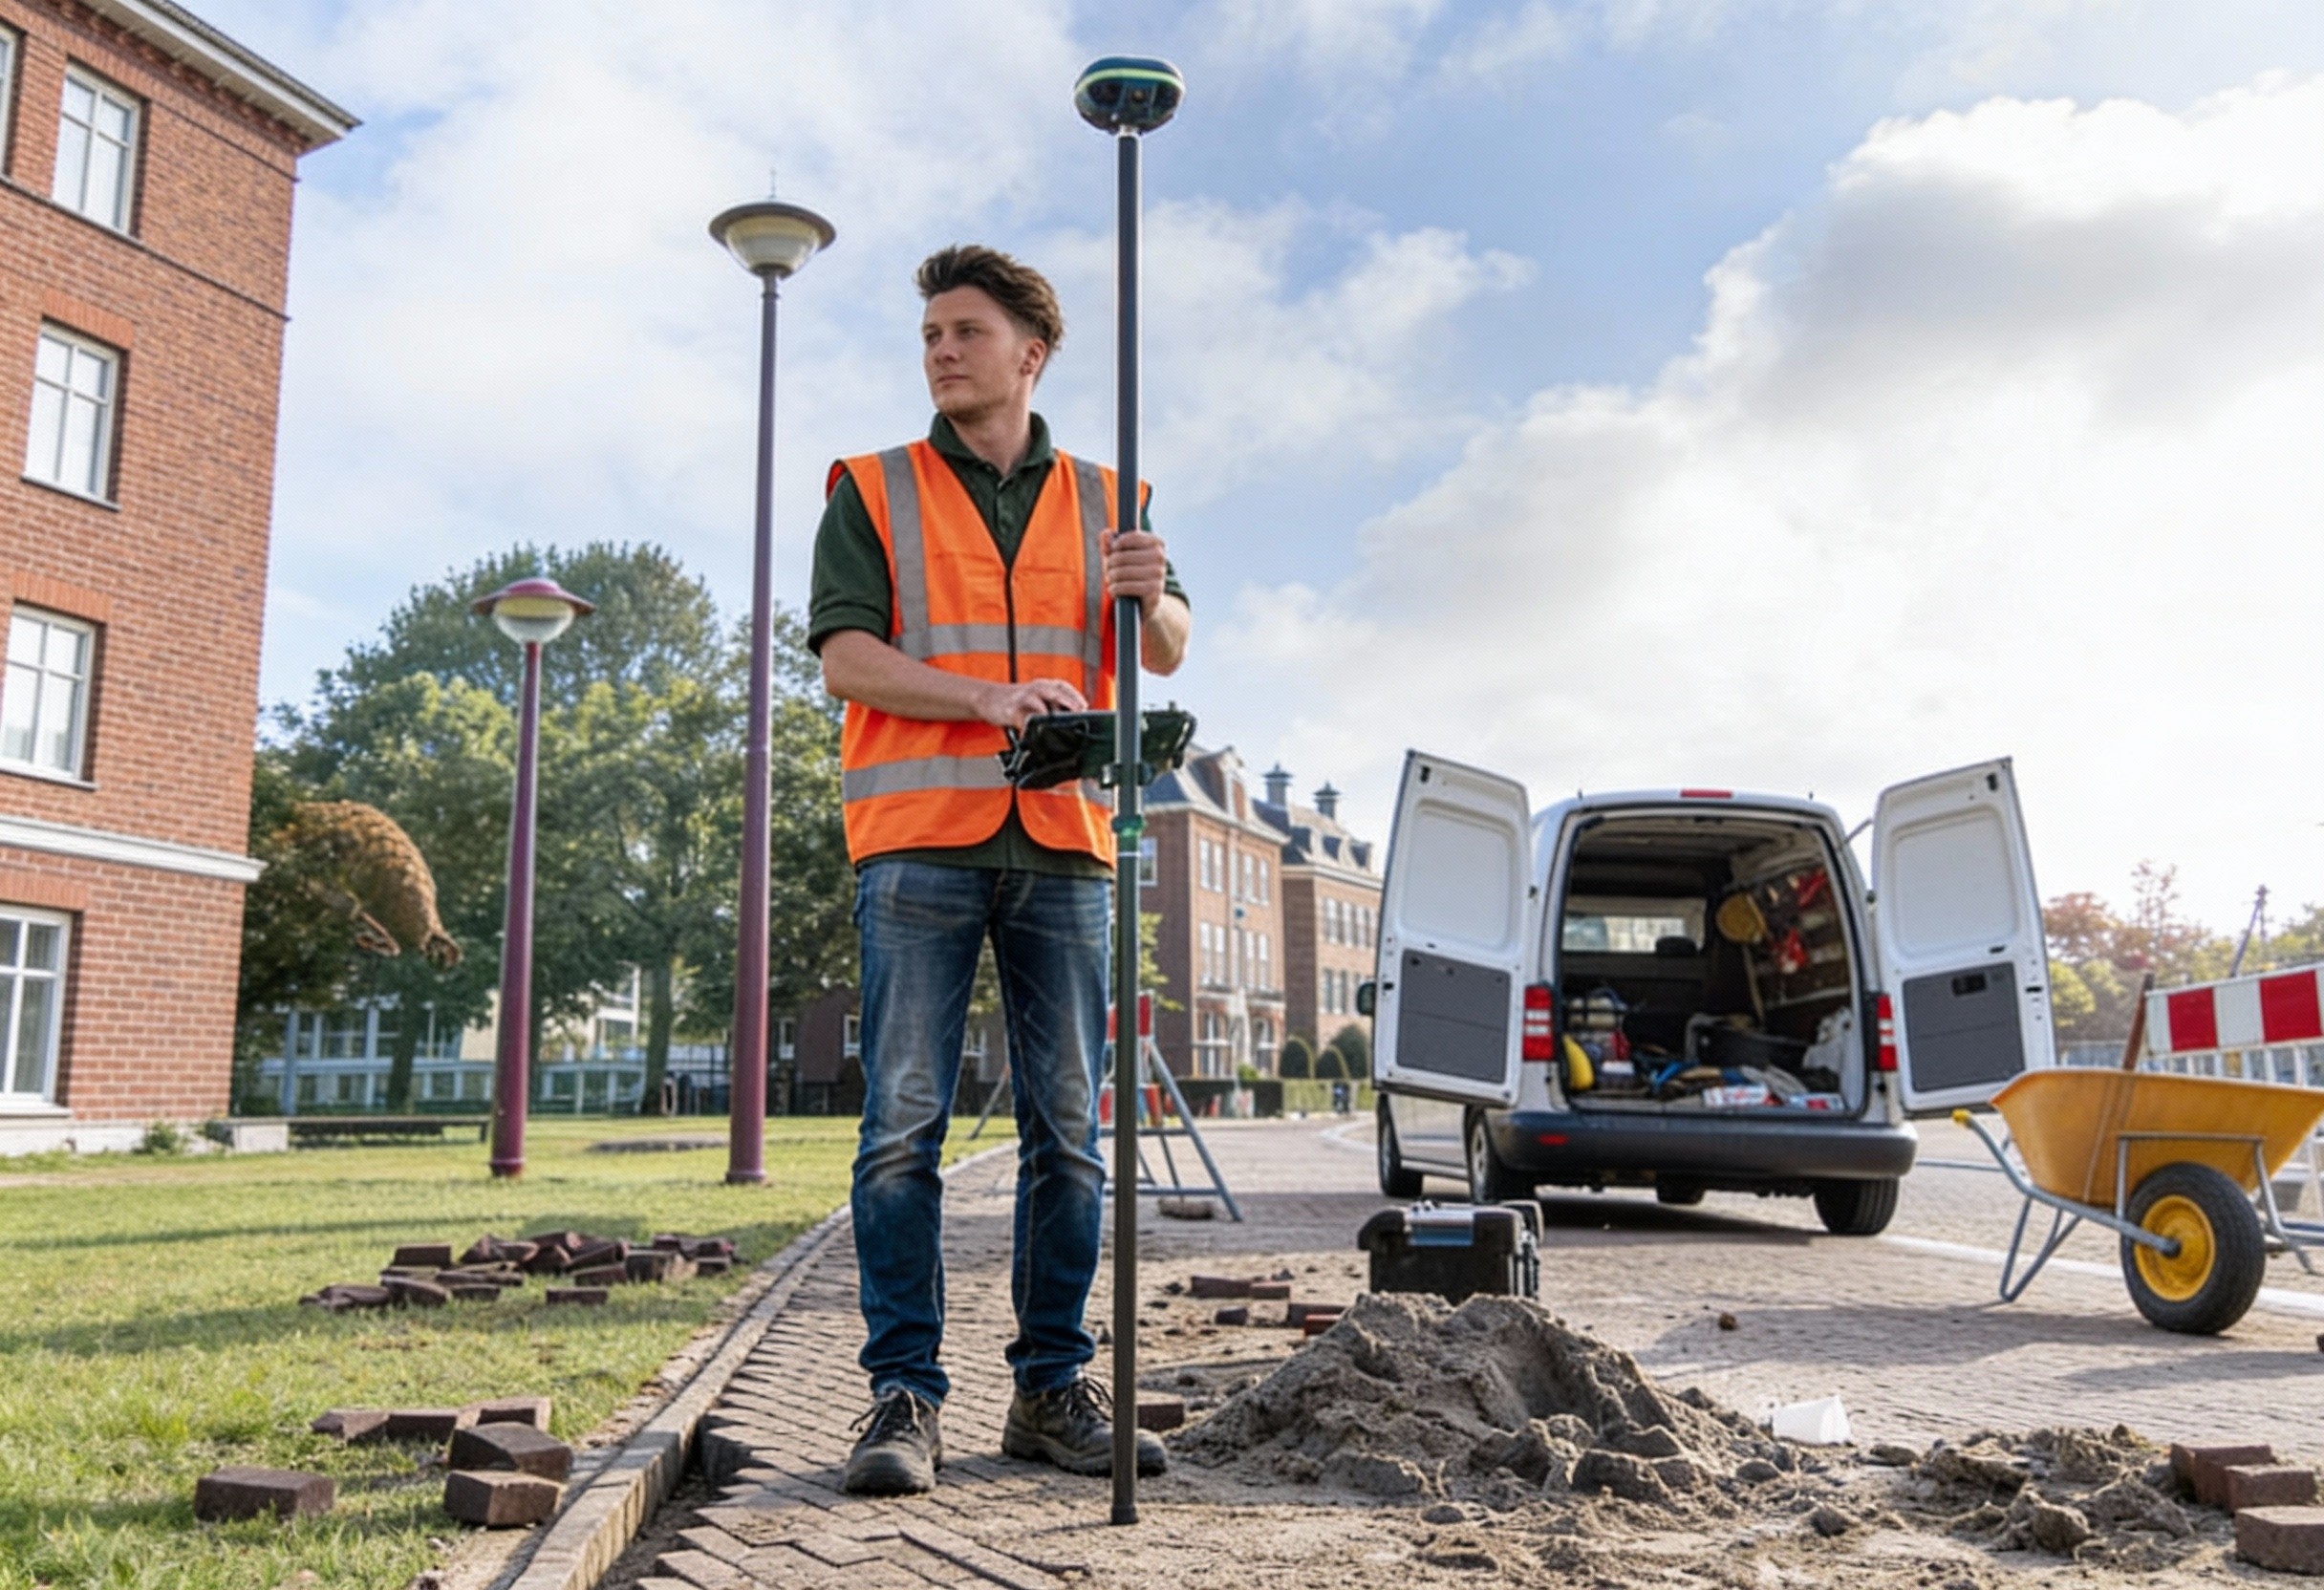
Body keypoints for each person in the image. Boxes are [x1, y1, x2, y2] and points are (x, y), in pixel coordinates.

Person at [809, 244, 1192, 1496]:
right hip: (918, 839)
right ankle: (902, 1398)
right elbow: (846, 658)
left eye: (964, 332)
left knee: (1069, 1136)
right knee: (901, 1130)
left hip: (1068, 846)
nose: (940, 351)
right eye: (930, 333)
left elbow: (1168, 648)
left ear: (1030, 354)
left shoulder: (1110, 495)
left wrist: (1152, 595)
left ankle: (1050, 1389)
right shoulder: (874, 487)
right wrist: (986, 698)